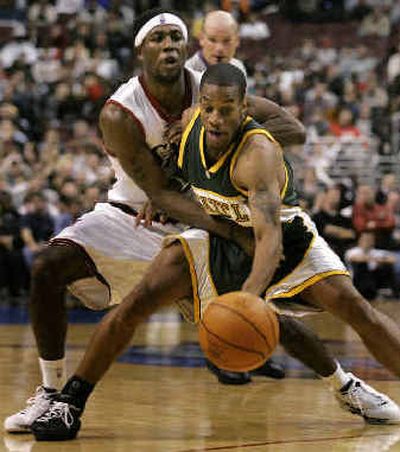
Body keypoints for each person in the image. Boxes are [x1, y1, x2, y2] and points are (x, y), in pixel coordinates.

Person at [30, 64, 400, 441]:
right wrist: (166, 192)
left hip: (284, 240)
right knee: (139, 301)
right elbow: (184, 169)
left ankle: (347, 388)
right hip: (220, 237)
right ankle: (70, 402)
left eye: (226, 109)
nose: (215, 117)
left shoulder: (258, 153)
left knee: (356, 309)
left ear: (244, 110)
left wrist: (247, 300)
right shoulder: (191, 124)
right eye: (209, 107)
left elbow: (269, 239)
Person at [3, 9, 305, 433]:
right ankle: (52, 394)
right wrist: (233, 230)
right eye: (158, 38)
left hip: (193, 223)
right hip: (132, 217)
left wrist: (221, 133)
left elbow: (291, 129)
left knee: (258, 310)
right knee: (47, 267)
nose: (169, 46)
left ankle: (345, 384)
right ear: (140, 50)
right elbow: (159, 193)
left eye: (175, 38)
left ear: (186, 47)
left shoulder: (212, 92)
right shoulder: (120, 111)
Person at [185, 10, 246, 75]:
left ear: (237, 40)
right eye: (212, 40)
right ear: (201, 39)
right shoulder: (186, 74)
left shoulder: (239, 68)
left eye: (226, 41)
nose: (219, 48)